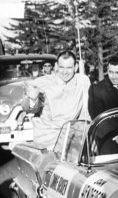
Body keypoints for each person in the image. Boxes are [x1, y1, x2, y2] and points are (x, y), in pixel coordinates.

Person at [0, 51, 90, 198]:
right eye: (62, 67)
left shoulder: (82, 81)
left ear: (76, 67)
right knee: (45, 188)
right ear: (56, 67)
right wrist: (33, 99)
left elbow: (86, 112)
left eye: (69, 68)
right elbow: (29, 107)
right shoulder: (42, 83)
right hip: (47, 142)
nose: (65, 72)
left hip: (71, 141)